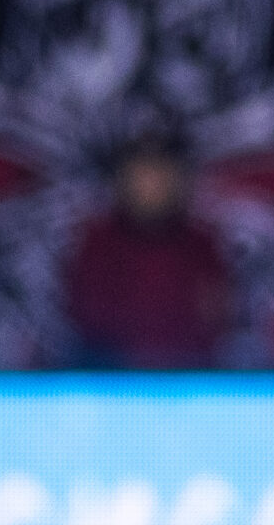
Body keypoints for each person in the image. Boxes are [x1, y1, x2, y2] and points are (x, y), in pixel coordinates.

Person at [62, 132, 235, 368]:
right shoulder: (98, 242)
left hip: (188, 382)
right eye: (142, 175)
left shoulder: (201, 244)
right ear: (123, 180)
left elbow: (215, 319)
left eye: (161, 174)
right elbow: (88, 317)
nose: (152, 185)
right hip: (111, 382)